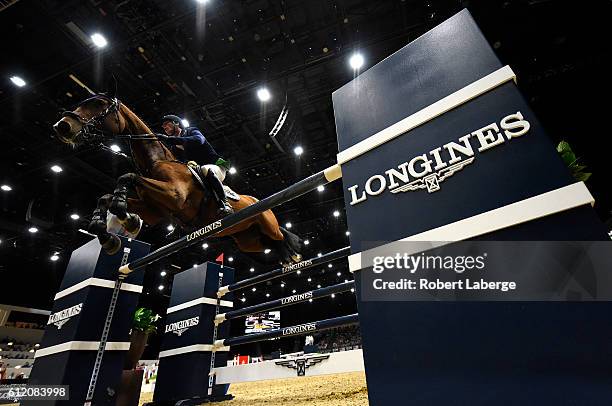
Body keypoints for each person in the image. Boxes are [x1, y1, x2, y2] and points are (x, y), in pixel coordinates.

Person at [158, 114, 233, 217]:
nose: (165, 127)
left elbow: (199, 140)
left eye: (167, 124)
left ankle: (225, 204)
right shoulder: (174, 148)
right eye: (163, 126)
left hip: (216, 165)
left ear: (176, 123)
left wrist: (171, 140)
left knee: (206, 169)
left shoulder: (191, 131)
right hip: (197, 172)